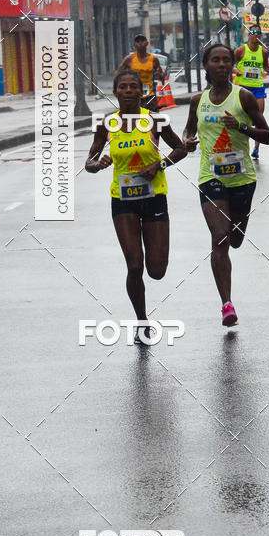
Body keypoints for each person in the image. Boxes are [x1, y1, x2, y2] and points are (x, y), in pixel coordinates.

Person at [85, 69, 187, 341]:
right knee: (134, 265)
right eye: (123, 87)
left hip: (154, 197)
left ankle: (144, 310)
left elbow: (180, 149)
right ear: (116, 92)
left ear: (140, 93)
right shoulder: (106, 124)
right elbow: (89, 161)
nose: (129, 91)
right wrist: (99, 163)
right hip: (123, 200)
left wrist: (160, 164)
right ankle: (141, 321)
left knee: (156, 270)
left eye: (134, 87)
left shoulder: (155, 120)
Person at [183, 43, 269, 327]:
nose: (221, 65)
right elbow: (189, 128)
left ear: (231, 67)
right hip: (211, 177)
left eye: (225, 61)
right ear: (206, 66)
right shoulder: (198, 101)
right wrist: (187, 139)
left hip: (243, 179)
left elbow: (267, 136)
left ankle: (233, 241)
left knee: (235, 238)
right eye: (215, 60)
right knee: (220, 237)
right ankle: (227, 304)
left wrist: (242, 127)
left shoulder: (243, 97)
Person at [234, 25, 269, 159]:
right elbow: (230, 65)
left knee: (259, 117)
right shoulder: (241, 50)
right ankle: (240, 144)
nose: (256, 35)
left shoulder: (263, 52)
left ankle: (256, 148)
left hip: (258, 87)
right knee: (240, 117)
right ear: (249, 35)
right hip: (242, 88)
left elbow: (265, 67)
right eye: (253, 32)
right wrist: (236, 71)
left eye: (258, 33)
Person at [118, 34, 164, 111]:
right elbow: (118, 75)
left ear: (147, 43)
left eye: (142, 41)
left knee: (153, 119)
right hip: (134, 96)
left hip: (150, 95)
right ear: (134, 44)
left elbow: (161, 75)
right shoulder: (129, 59)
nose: (140, 43)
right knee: (134, 120)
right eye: (137, 41)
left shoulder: (154, 59)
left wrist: (159, 75)